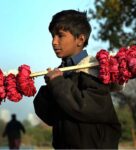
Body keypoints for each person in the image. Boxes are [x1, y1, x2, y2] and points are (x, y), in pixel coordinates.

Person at [33, 9, 123, 149]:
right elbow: (52, 118)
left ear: (80, 39)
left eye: (60, 36)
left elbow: (84, 107)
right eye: (52, 36)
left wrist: (57, 84)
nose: (54, 42)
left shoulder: (94, 71)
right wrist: (46, 92)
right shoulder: (61, 74)